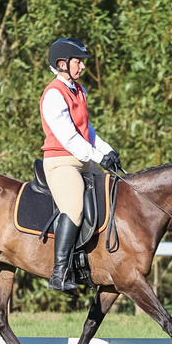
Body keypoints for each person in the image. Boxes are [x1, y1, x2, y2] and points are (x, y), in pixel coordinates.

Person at [40, 37, 121, 292]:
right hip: (61, 162)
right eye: (78, 62)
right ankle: (60, 273)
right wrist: (98, 157)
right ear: (62, 64)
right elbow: (69, 137)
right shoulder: (54, 94)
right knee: (74, 208)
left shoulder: (79, 90)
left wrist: (108, 151)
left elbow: (87, 132)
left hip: (83, 161)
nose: (82, 67)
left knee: (113, 198)